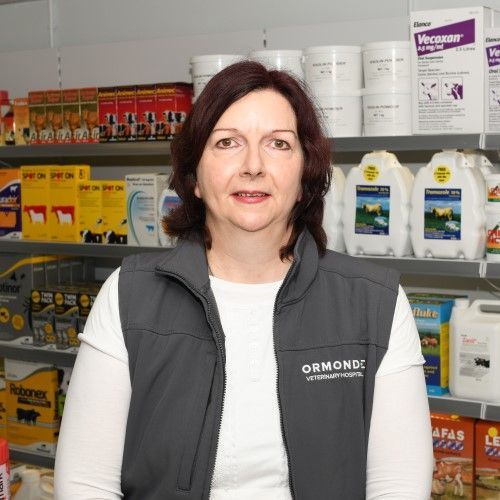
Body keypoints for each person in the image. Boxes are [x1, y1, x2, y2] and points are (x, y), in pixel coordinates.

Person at [54, 61, 433, 499]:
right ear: (194, 176)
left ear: (305, 174)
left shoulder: (376, 304)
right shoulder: (128, 296)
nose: (253, 165)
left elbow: (398, 488)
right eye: (228, 143)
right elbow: (86, 485)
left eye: (278, 144)